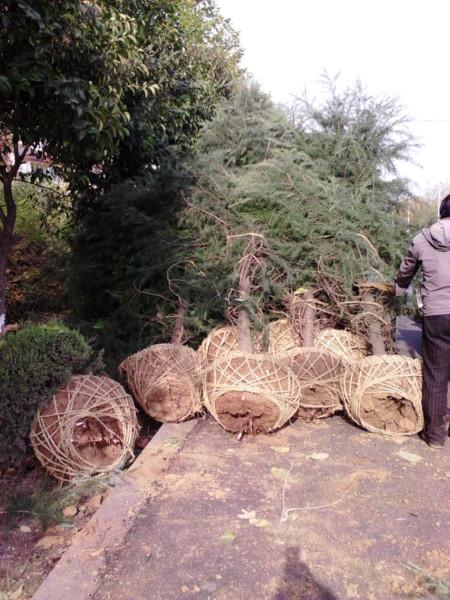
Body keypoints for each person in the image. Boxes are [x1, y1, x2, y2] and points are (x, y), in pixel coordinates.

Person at [395, 194, 450, 449]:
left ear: (441, 211)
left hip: (436, 313)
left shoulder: (421, 239)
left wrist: (399, 288)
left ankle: (435, 436)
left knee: (436, 374)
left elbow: (405, 271)